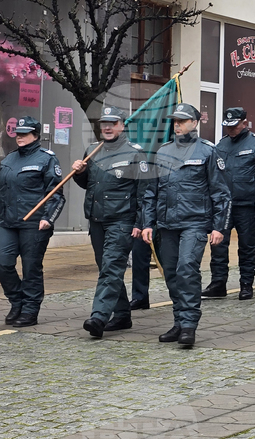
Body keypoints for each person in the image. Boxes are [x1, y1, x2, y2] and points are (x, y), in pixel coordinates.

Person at [141, 103, 231, 347]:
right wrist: (148, 223)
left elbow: (221, 194)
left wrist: (218, 227)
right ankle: (179, 321)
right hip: (167, 224)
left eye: (182, 120)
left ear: (195, 122)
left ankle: (189, 325)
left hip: (195, 222)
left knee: (186, 269)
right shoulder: (163, 152)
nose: (177, 125)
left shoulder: (207, 152)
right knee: (171, 272)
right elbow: (151, 192)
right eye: (175, 121)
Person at [72, 106, 148, 338]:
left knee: (111, 267)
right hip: (96, 220)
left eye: (112, 123)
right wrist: (79, 172)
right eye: (104, 123)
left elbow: (144, 192)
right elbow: (90, 185)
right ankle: (123, 314)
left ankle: (98, 316)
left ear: (122, 125)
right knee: (107, 268)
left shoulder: (135, 152)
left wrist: (140, 222)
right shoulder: (93, 150)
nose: (106, 126)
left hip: (122, 221)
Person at [0, 116, 65, 327]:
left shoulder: (46, 159)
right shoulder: (8, 160)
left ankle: (29, 310)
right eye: (18, 134)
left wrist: (49, 218)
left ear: (35, 135)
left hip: (34, 224)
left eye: (25, 134)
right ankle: (17, 301)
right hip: (8, 222)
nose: (20, 137)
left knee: (31, 268)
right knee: (2, 263)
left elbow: (56, 194)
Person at [205, 107, 255, 301]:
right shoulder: (221, 144)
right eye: (227, 126)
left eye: (234, 126)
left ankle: (246, 284)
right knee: (218, 244)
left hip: (247, 205)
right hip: (224, 205)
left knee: (246, 246)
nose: (230, 130)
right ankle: (218, 283)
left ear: (244, 123)